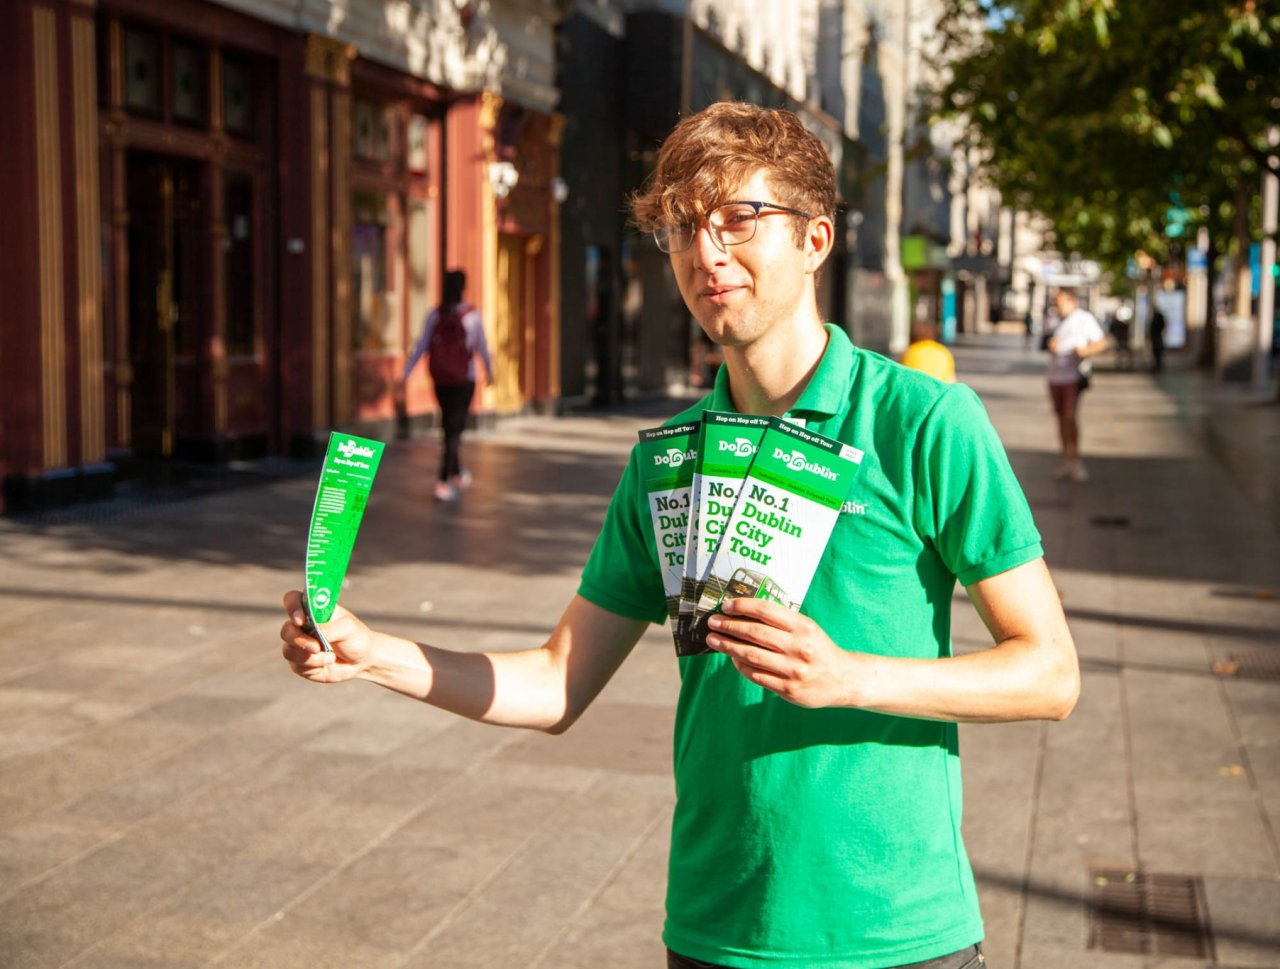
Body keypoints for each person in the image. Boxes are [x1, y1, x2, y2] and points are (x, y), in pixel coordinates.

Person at [280, 102, 1080, 969]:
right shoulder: (669, 460)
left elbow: (1050, 672)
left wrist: (849, 676)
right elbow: (555, 683)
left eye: (740, 217)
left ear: (815, 239)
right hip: (713, 931)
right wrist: (375, 656)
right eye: (683, 227)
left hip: (895, 934)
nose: (706, 252)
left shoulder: (924, 422)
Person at [401, 269, 493, 501]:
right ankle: (443, 481)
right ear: (463, 288)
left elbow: (421, 345)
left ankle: (456, 473)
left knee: (450, 426)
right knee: (454, 430)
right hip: (464, 379)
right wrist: (490, 371)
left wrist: (405, 373)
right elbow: (481, 346)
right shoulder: (472, 316)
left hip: (441, 379)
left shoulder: (435, 315)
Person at [1043, 288, 1109, 483]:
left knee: (1070, 416)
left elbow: (1102, 343)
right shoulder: (1052, 319)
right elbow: (1044, 341)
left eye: (1060, 301)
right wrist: (1049, 345)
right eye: (1055, 302)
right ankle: (1066, 457)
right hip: (1054, 376)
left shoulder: (1083, 319)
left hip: (1072, 376)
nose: (1057, 306)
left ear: (1071, 301)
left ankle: (1075, 459)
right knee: (1060, 418)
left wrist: (1085, 351)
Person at [1149, 306, 1167, 373]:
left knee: (1158, 351)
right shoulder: (1156, 317)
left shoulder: (1158, 317)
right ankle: (1157, 364)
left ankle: (1158, 364)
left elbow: (1161, 325)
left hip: (1157, 335)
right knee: (1155, 351)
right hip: (1156, 336)